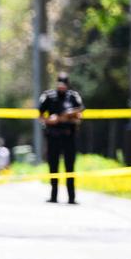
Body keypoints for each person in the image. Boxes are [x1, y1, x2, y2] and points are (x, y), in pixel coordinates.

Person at [38, 72, 84, 204]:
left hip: (69, 136)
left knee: (70, 166)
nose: (62, 87)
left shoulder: (73, 96)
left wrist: (72, 116)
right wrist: (48, 120)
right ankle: (53, 196)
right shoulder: (49, 96)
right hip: (53, 136)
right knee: (53, 166)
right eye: (60, 85)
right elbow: (40, 114)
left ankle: (71, 197)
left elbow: (80, 111)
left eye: (64, 85)